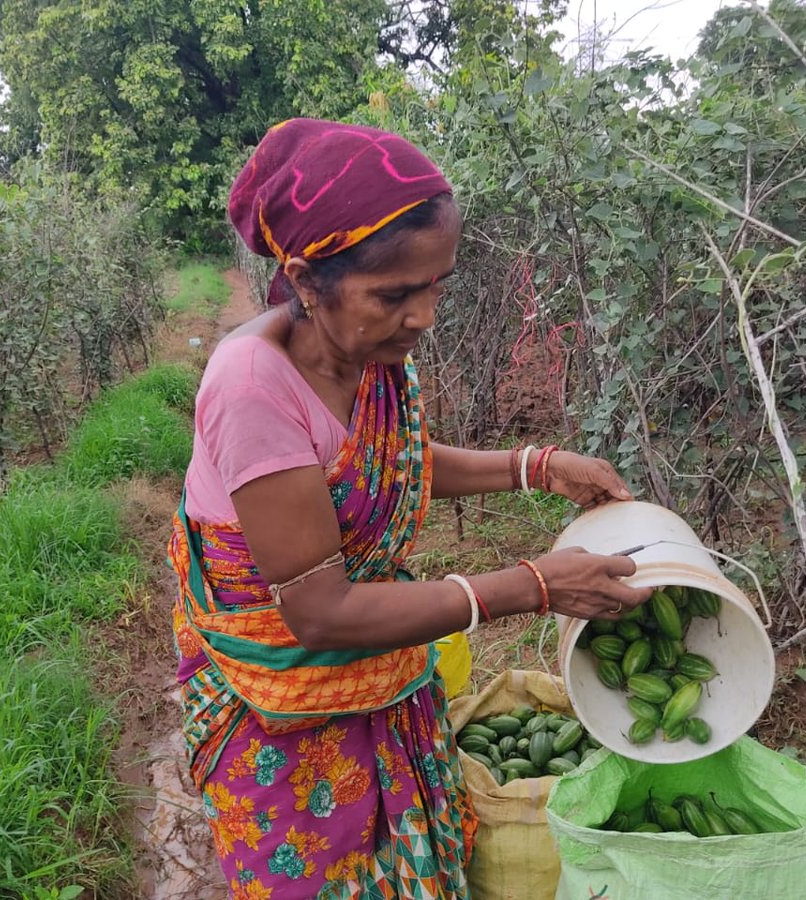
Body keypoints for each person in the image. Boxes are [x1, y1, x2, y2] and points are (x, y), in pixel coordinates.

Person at [169, 118, 652, 899]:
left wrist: (537, 466)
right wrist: (532, 585)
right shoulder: (253, 388)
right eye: (395, 293)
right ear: (304, 278)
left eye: (436, 286)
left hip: (376, 661)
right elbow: (321, 613)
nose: (423, 316)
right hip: (287, 700)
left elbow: (381, 463)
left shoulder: (360, 354)